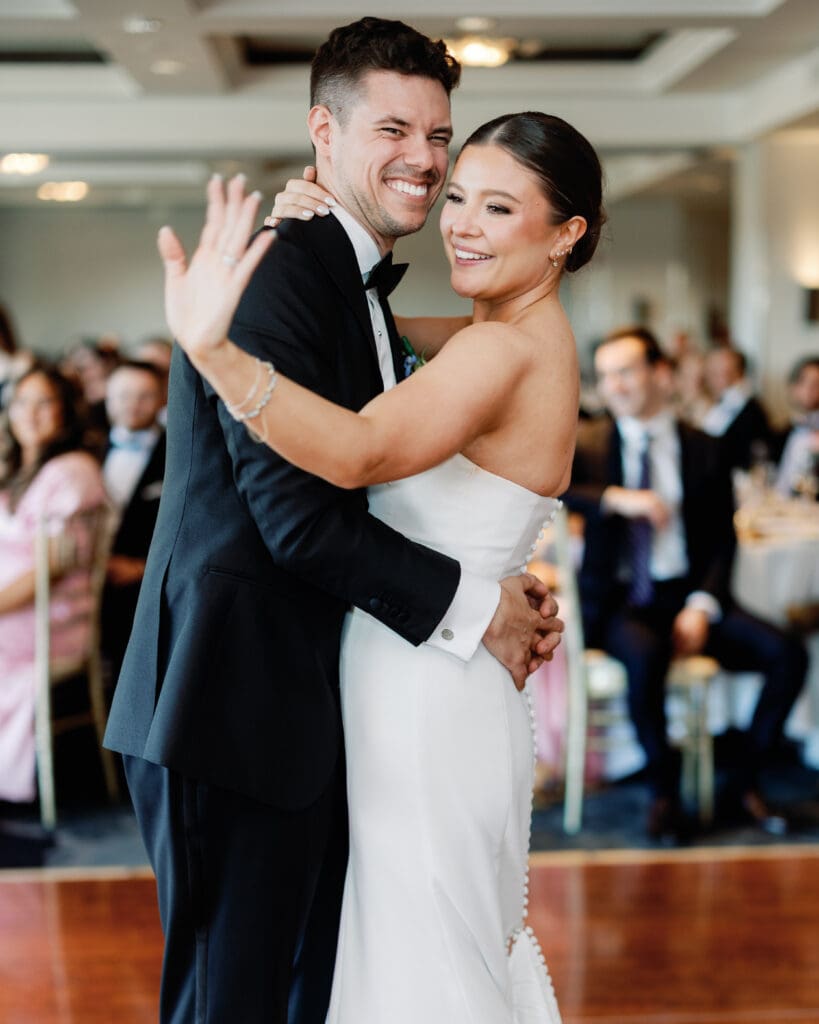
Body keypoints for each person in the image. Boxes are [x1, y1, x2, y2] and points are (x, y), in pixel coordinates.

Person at [104, 19, 566, 1024]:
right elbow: (297, 520)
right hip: (226, 695)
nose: (425, 160)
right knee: (230, 1000)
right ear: (324, 130)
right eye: (394, 128)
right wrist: (472, 601)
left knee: (306, 987)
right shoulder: (281, 268)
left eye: (440, 135)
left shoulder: (350, 277)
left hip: (306, 705)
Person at [565, 326, 808, 841]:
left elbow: (724, 539)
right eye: (606, 376)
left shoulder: (705, 447)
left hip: (686, 596)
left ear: (661, 373)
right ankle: (663, 794)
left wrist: (701, 604)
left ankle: (740, 785)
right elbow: (550, 487)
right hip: (623, 602)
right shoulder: (586, 444)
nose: (614, 386)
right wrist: (613, 497)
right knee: (645, 655)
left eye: (626, 371)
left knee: (789, 654)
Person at [0, 363, 107, 805]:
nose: (30, 413)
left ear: (65, 410)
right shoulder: (15, 468)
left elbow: (53, 566)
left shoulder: (72, 469)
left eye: (44, 402)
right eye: (21, 402)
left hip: (49, 617)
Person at [100, 360, 166, 682]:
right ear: (108, 398)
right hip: (88, 582)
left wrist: (140, 567)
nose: (132, 404)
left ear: (162, 397)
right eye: (123, 395)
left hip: (145, 584)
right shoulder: (87, 449)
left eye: (144, 395)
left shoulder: (178, 451)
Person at [702, 346, 772, 470]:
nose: (713, 380)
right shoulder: (716, 403)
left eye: (722, 373)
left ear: (739, 374)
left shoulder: (749, 409)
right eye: (712, 373)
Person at [775, 354, 819, 499]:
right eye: (803, 382)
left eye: (816, 384)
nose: (809, 390)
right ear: (793, 387)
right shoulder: (786, 430)